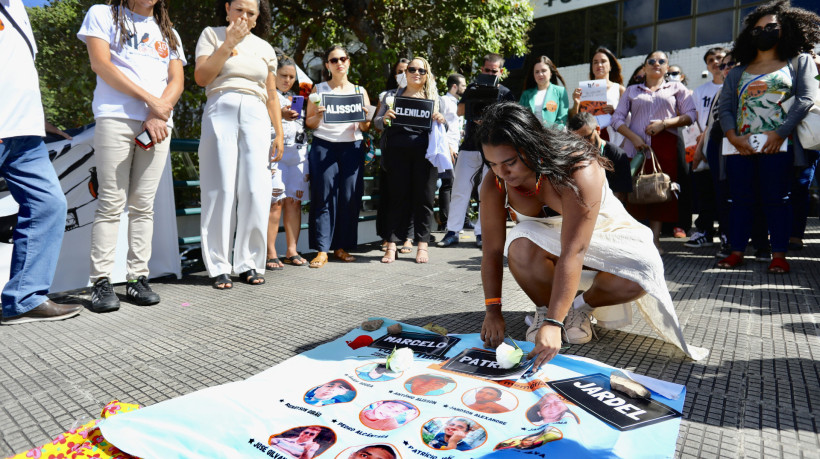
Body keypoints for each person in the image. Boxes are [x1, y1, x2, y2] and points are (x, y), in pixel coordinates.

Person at [477, 102, 708, 365]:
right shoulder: (495, 181)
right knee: (518, 244)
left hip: (604, 233)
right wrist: (493, 311)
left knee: (644, 270)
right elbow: (493, 250)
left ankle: (578, 309)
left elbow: (574, 249)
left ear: (533, 144)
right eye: (492, 164)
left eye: (510, 162)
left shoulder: (577, 168)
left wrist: (554, 324)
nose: (502, 173)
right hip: (546, 248)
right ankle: (545, 309)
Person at [78, 0, 186, 310]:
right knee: (111, 201)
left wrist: (158, 113)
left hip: (158, 125)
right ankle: (100, 281)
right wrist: (152, 102)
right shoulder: (103, 13)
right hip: (116, 117)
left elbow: (177, 81)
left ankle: (138, 277)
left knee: (144, 205)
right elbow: (101, 64)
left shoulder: (170, 33)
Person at [717, 0, 820, 273]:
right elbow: (725, 108)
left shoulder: (799, 62)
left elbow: (807, 98)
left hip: (780, 145)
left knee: (778, 199)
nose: (764, 32)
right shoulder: (738, 70)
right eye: (758, 28)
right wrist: (732, 136)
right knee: (740, 200)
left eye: (771, 26)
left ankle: (779, 255)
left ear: (784, 29)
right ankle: (736, 251)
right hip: (740, 147)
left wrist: (780, 133)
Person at [0, 0, 82, 325]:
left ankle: (23, 299)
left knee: (49, 204)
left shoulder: (17, 7)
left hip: (24, 132)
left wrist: (38, 119)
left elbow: (15, 68)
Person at [195, 0, 283, 289]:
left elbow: (271, 94)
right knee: (219, 188)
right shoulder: (212, 34)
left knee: (257, 189)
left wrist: (279, 133)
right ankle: (218, 266)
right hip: (222, 105)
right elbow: (201, 77)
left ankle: (250, 262)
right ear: (227, 9)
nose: (244, 16)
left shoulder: (265, 48)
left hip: (257, 115)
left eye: (251, 12)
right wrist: (227, 44)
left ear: (257, 19)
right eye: (239, 9)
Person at [611, 50, 697, 254]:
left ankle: (655, 242)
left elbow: (691, 115)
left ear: (667, 67)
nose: (656, 63)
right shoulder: (632, 90)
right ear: (645, 66)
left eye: (661, 61)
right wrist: (634, 137)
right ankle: (633, 240)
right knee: (633, 191)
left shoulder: (677, 88)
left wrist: (664, 124)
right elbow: (617, 119)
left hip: (665, 146)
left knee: (659, 191)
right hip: (636, 147)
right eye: (651, 60)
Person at [692, 53, 771, 260]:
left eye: (731, 63)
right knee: (723, 196)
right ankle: (729, 240)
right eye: (723, 65)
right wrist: (700, 149)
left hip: (743, 148)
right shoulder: (720, 92)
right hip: (718, 149)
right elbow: (710, 125)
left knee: (749, 196)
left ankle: (759, 243)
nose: (724, 67)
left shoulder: (751, 86)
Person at [373, 57, 448, 264]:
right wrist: (385, 117)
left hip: (425, 156)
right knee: (397, 199)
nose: (416, 73)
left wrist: (442, 120)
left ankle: (422, 245)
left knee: (424, 199)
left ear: (427, 75)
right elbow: (377, 123)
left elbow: (445, 129)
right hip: (397, 154)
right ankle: (391, 245)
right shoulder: (391, 96)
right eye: (412, 69)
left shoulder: (434, 98)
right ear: (404, 73)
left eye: (421, 71)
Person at [437, 53, 516, 249]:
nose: (490, 73)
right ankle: (452, 231)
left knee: (486, 192)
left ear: (501, 72)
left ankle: (482, 233)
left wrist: (491, 119)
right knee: (460, 188)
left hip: (494, 148)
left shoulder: (505, 93)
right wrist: (474, 102)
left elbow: (511, 119)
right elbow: (460, 112)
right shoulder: (472, 87)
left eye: (494, 71)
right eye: (487, 70)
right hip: (471, 145)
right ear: (482, 70)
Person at [304, 45, 372, 268]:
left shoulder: (360, 91)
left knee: (349, 198)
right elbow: (310, 123)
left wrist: (364, 117)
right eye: (334, 60)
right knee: (323, 197)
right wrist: (319, 115)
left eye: (343, 58)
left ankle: (341, 247)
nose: (339, 63)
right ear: (327, 65)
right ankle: (322, 250)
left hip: (351, 148)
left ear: (349, 62)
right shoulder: (319, 89)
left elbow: (365, 125)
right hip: (324, 146)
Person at [267, 56, 310, 269]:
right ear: (274, 75)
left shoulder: (298, 97)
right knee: (275, 203)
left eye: (291, 77)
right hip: (275, 154)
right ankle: (270, 252)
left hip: (299, 154)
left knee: (294, 201)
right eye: (283, 75)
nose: (287, 80)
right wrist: (280, 114)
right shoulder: (265, 95)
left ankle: (291, 250)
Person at [685, 47, 728, 249]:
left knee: (726, 190)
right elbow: (695, 120)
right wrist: (700, 144)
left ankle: (728, 232)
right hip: (704, 144)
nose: (716, 62)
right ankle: (704, 231)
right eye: (711, 59)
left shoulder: (733, 85)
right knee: (704, 190)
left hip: (727, 143)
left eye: (720, 58)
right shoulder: (700, 91)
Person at [376, 58, 413, 255]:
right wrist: (385, 118)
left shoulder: (422, 95)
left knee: (411, 194)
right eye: (400, 71)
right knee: (391, 195)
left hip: (415, 152)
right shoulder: (386, 95)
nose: (404, 74)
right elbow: (377, 123)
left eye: (407, 70)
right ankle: (388, 237)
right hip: (391, 152)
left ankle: (408, 237)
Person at [568, 112, 632, 203]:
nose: (584, 144)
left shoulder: (617, 155)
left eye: (587, 138)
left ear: (598, 129)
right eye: (578, 141)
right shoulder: (572, 155)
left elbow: (620, 196)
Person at [569, 47, 626, 146]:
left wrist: (614, 111)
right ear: (592, 67)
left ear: (610, 66)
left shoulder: (619, 89)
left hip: (614, 141)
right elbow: (575, 119)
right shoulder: (583, 90)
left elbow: (628, 119)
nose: (599, 65)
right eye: (595, 62)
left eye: (603, 61)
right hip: (589, 140)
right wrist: (576, 103)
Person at [437, 73, 466, 232]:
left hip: (459, 147)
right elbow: (440, 126)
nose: (465, 88)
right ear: (454, 86)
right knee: (448, 184)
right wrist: (447, 146)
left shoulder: (460, 103)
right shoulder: (444, 100)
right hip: (447, 148)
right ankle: (446, 222)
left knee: (459, 184)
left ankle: (461, 221)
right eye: (463, 85)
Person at [519, 55, 569, 131]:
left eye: (543, 71)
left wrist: (550, 135)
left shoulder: (561, 91)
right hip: (532, 137)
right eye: (537, 72)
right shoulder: (526, 94)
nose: (540, 74)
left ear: (551, 73)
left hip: (554, 137)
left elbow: (562, 120)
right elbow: (521, 118)